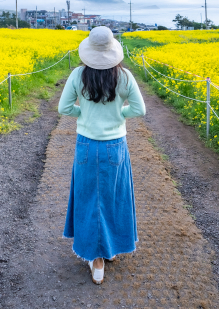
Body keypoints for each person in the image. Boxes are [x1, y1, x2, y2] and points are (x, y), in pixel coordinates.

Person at [58, 26, 146, 284]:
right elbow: (139, 110)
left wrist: (83, 115)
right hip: (115, 145)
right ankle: (107, 251)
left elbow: (63, 108)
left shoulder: (78, 75)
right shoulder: (125, 76)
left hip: (86, 144)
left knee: (88, 199)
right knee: (113, 197)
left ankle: (95, 260)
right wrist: (119, 115)